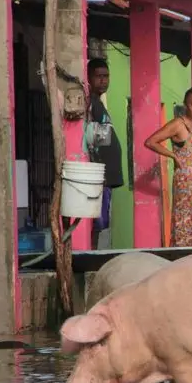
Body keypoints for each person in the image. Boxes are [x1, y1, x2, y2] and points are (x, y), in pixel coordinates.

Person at [142, 87, 192, 247]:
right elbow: (150, 141)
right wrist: (173, 155)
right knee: (186, 227)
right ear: (186, 105)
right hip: (187, 189)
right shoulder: (179, 124)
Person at [85, 58, 125, 250]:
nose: (103, 80)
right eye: (99, 76)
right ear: (89, 78)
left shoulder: (98, 103)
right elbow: (92, 141)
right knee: (97, 221)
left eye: (106, 76)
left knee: (102, 221)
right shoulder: (89, 103)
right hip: (99, 176)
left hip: (106, 176)